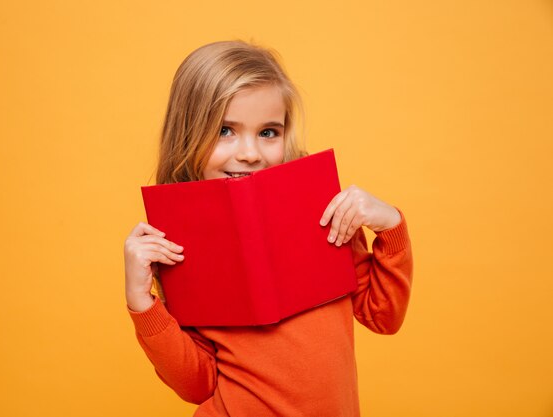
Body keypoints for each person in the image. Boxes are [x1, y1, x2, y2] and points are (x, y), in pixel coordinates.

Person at [124, 40, 413, 417]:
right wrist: (142, 302)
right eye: (225, 130)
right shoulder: (177, 237)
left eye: (268, 132)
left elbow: (383, 315)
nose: (250, 153)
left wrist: (390, 225)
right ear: (188, 132)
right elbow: (197, 385)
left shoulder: (322, 210)